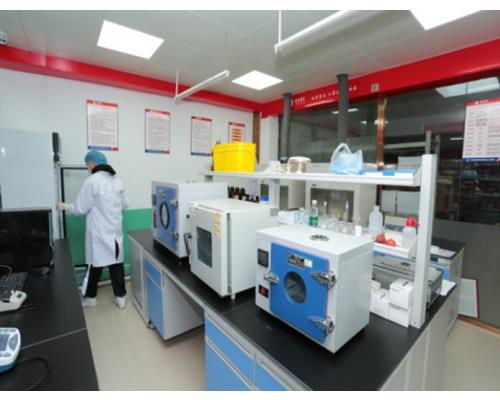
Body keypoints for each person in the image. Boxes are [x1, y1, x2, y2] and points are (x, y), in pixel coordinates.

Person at [58, 150, 128, 309]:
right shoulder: (117, 181)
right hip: (114, 232)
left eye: (87, 165)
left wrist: (64, 206)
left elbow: (80, 208)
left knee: (94, 266)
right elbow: (125, 204)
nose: (87, 168)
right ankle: (121, 299)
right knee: (116, 265)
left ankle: (90, 299)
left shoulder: (92, 181)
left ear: (92, 164)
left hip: (98, 234)